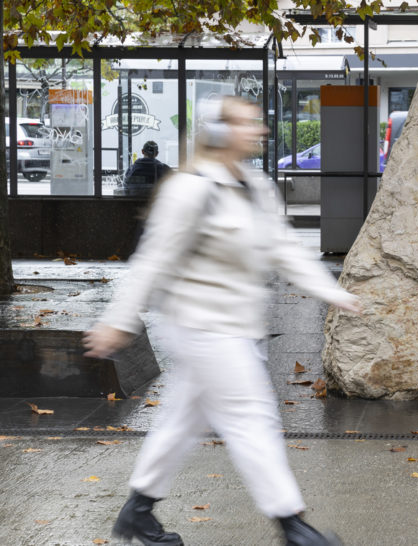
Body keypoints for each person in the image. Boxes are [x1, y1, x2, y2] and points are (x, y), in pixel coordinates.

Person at [83, 96, 359, 546]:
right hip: (201, 326)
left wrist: (334, 291)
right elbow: (152, 260)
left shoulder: (254, 184)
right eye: (248, 123)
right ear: (218, 131)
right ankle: (292, 526)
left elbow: (282, 247)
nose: (260, 130)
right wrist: (119, 320)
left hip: (236, 326)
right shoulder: (190, 188)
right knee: (251, 417)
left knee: (182, 418)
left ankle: (137, 512)